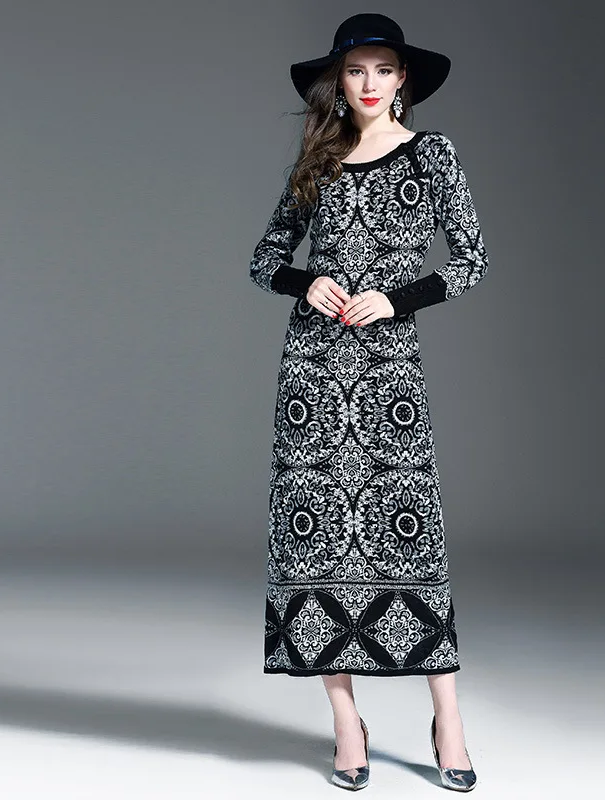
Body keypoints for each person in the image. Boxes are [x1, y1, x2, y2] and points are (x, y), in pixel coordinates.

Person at [249, 13, 488, 792]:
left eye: (383, 69)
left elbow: (472, 259)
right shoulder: (317, 159)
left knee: (409, 537)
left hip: (387, 371)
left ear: (403, 78)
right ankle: (346, 722)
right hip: (313, 372)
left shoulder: (432, 154)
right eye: (356, 70)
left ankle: (447, 719)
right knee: (316, 541)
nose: (370, 83)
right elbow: (264, 259)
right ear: (340, 81)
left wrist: (397, 298)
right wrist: (305, 280)